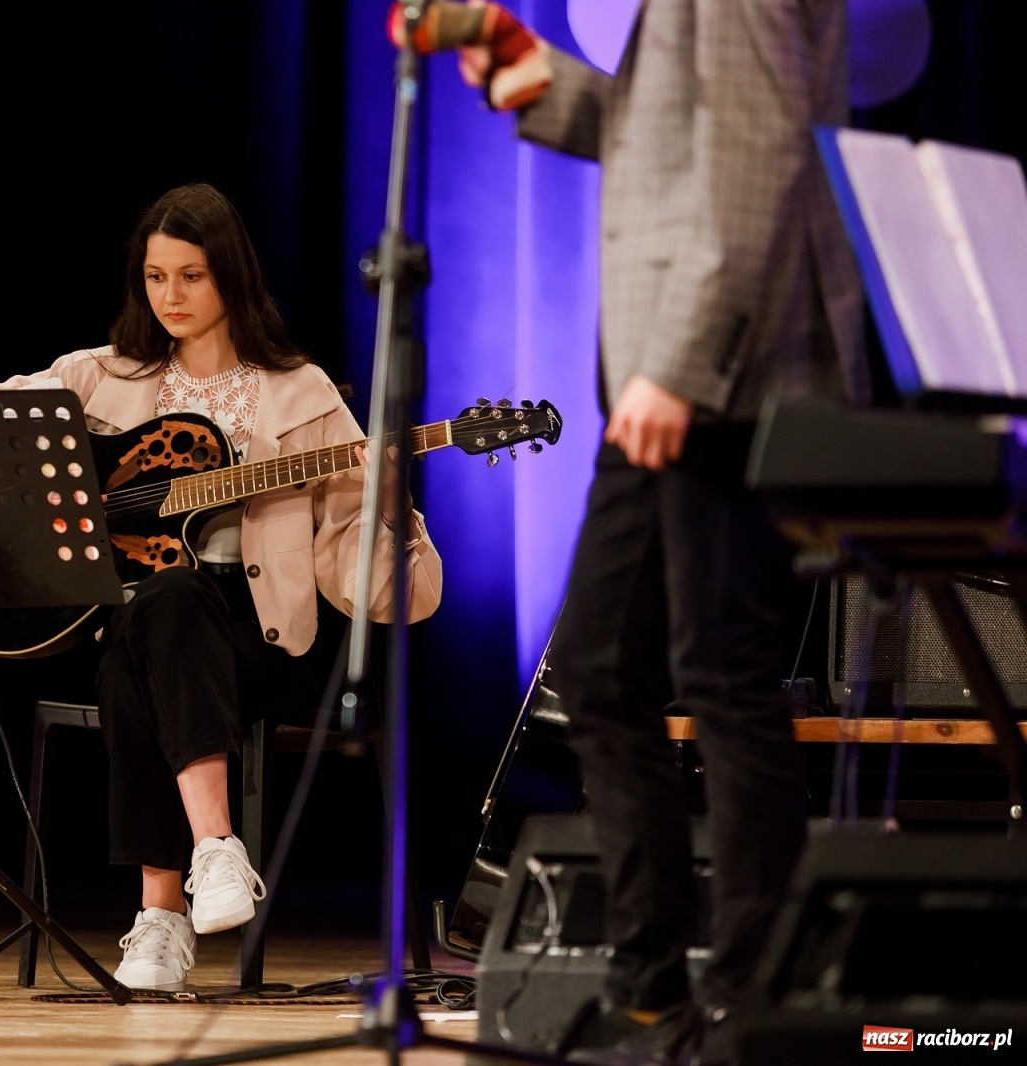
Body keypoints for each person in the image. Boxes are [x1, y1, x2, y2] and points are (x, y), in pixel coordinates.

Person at [403, 1, 868, 1062]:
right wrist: (533, 76)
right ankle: (653, 989)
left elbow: (758, 173)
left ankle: (751, 1000)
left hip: (714, 381)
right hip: (668, 379)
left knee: (720, 677)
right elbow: (658, 138)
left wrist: (680, 368)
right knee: (607, 669)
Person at [0, 182, 442, 990]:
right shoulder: (96, 378)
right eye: (156, 277)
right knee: (159, 606)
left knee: (155, 633)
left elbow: (378, 596)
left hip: (259, 636)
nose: (170, 297)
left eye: (190, 276)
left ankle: (160, 920)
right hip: (139, 616)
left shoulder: (305, 396)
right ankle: (216, 853)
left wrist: (394, 506)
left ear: (230, 274)